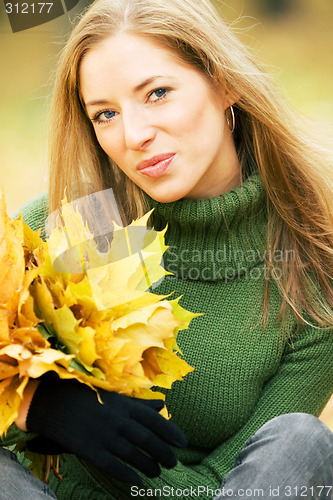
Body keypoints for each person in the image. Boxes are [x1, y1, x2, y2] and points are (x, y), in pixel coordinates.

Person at [1, 0, 333, 498]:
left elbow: (243, 483)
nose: (134, 135)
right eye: (106, 114)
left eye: (157, 93)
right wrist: (37, 406)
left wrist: (110, 460)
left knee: (302, 441)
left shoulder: (311, 264)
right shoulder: (79, 224)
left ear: (226, 84)